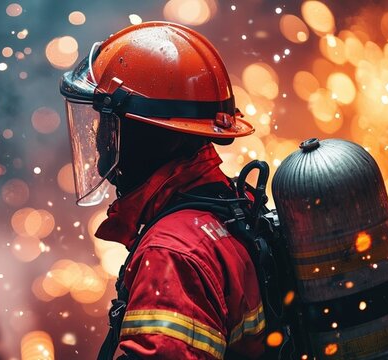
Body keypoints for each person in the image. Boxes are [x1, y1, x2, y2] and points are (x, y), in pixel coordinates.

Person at [59, 22, 266, 359]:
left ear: (142, 133)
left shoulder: (171, 255)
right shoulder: (240, 203)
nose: (99, 141)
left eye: (108, 124)